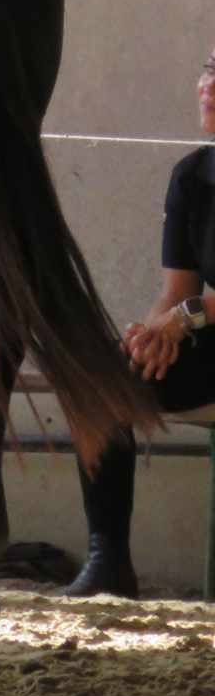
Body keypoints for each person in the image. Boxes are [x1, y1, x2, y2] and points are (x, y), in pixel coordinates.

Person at [61, 45, 215, 596]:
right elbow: (176, 291)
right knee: (99, 372)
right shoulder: (194, 176)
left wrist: (184, 318)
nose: (207, 83)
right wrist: (151, 336)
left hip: (203, 327)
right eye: (207, 67)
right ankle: (109, 562)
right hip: (206, 341)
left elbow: (189, 307)